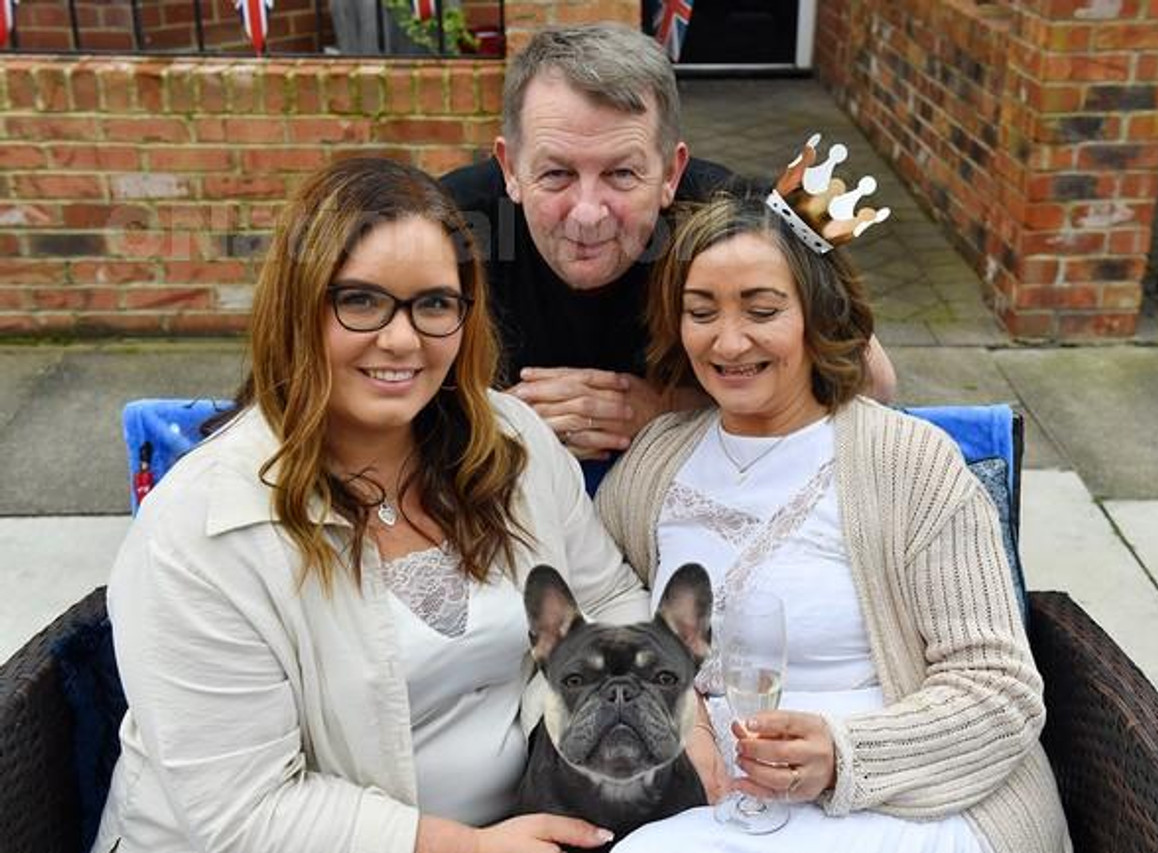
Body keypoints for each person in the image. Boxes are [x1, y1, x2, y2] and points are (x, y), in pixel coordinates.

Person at [91, 157, 651, 853]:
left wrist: (671, 716)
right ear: (300, 308)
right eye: (360, 300)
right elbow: (245, 814)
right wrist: (470, 847)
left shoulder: (512, 445)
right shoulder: (201, 528)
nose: (402, 338)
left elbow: (613, 597)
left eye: (435, 303)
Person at [594, 193, 1072, 853]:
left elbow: (1001, 687)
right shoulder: (658, 462)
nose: (728, 341)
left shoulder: (909, 462)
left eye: (762, 310)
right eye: (701, 312)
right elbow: (595, 602)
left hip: (912, 805)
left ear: (817, 315)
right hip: (726, 804)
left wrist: (844, 755)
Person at [442, 23, 897, 470]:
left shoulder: (729, 218)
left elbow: (873, 383)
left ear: (671, 173)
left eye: (622, 174)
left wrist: (673, 411)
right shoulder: (448, 225)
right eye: (556, 174)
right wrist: (492, 418)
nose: (587, 213)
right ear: (510, 168)